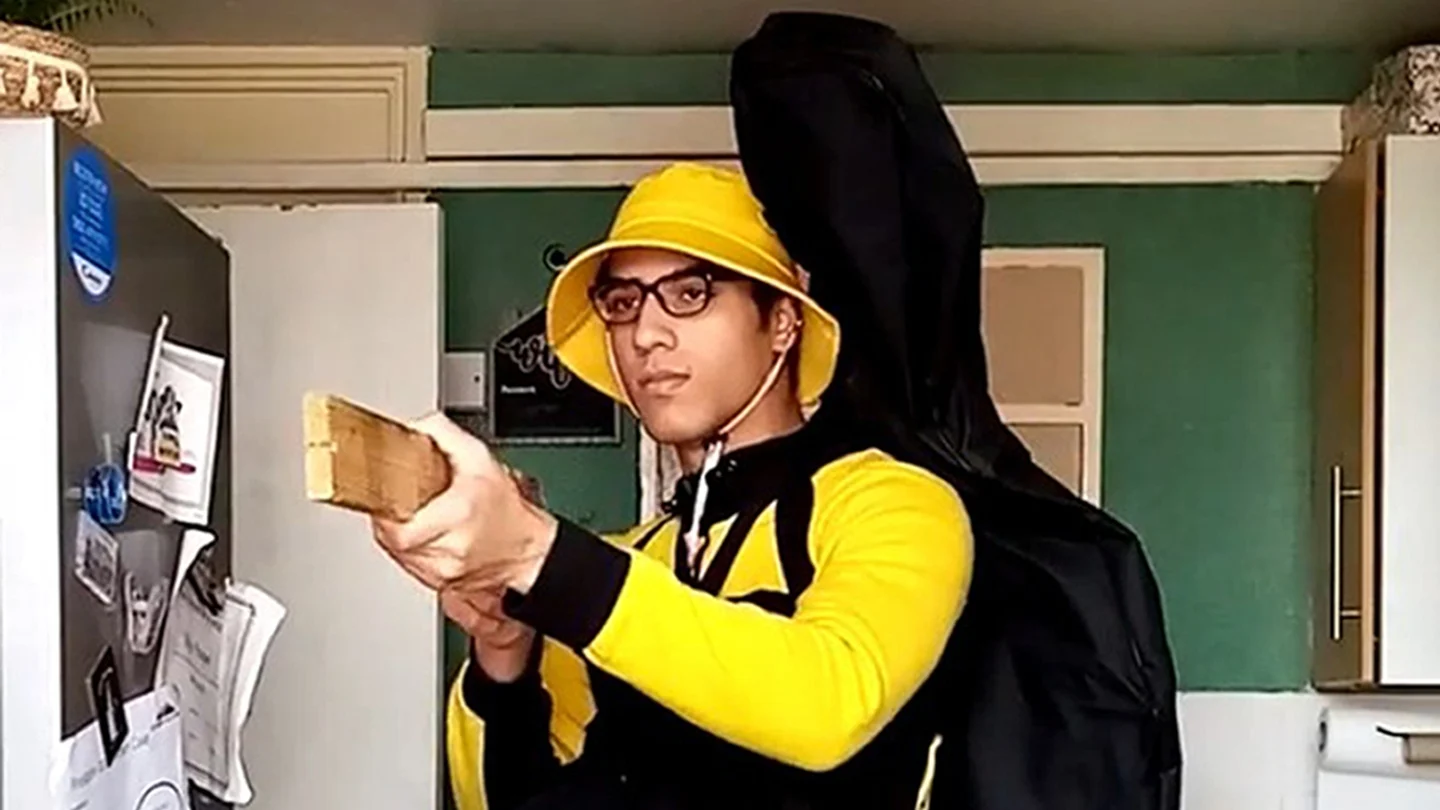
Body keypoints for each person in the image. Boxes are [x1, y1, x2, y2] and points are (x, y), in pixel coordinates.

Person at [371, 162, 974, 810]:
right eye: (623, 303)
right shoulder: (629, 560)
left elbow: (830, 705)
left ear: (781, 321)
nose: (645, 334)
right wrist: (504, 649)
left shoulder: (893, 507)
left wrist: (535, 553)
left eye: (691, 293)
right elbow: (507, 798)